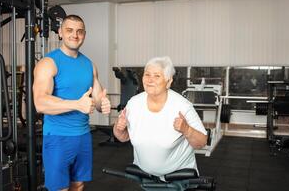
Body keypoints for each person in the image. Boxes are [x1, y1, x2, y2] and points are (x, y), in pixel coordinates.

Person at [33, 15, 111, 191]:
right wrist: (76, 104)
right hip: (58, 137)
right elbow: (40, 102)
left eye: (79, 31)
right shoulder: (48, 63)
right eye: (69, 30)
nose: (75, 35)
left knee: (78, 184)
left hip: (83, 136)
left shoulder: (90, 65)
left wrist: (103, 103)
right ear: (60, 33)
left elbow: (98, 98)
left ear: (84, 35)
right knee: (60, 188)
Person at [113, 56, 207, 179]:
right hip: (146, 177)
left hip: (178, 178)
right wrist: (119, 128)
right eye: (147, 75)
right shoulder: (134, 103)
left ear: (168, 82)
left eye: (157, 76)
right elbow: (123, 137)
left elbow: (202, 142)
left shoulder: (182, 106)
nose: (150, 80)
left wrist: (187, 129)